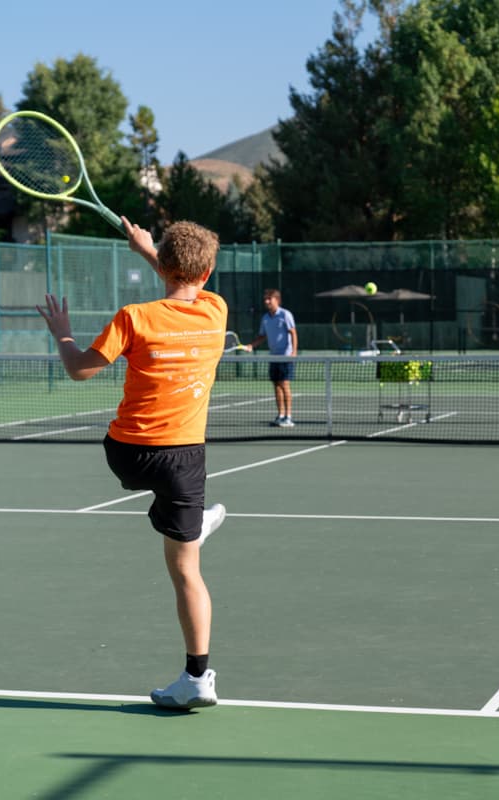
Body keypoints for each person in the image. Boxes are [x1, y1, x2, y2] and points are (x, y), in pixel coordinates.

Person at [36, 216, 228, 710]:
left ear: (162, 265)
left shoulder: (134, 317)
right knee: (187, 567)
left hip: (128, 455)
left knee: (177, 532)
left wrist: (62, 334)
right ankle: (198, 676)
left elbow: (80, 370)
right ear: (207, 274)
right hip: (186, 458)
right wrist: (150, 252)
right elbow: (186, 279)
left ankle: (188, 525)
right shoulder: (216, 311)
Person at [246, 288, 298, 427]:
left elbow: (293, 333)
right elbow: (262, 336)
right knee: (276, 386)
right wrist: (251, 345)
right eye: (265, 299)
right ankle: (280, 415)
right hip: (273, 356)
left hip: (285, 356)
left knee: (285, 385)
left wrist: (293, 352)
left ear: (277, 300)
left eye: (270, 299)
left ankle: (288, 416)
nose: (267, 302)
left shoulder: (285, 314)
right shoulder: (265, 318)